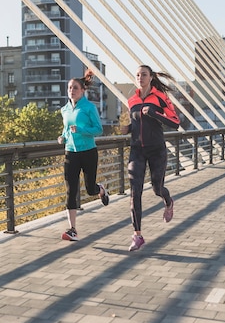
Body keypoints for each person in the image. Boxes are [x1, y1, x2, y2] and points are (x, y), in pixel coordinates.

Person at [120, 65, 181, 251]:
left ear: (151, 77)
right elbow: (137, 122)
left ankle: (168, 201)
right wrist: (128, 129)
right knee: (134, 191)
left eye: (144, 74)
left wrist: (155, 113)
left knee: (157, 188)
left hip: (156, 149)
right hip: (137, 149)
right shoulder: (132, 100)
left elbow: (176, 123)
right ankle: (137, 235)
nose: (140, 77)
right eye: (137, 74)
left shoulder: (161, 98)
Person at [58, 69, 109, 241]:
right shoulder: (64, 110)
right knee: (70, 191)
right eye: (70, 88)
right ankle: (72, 229)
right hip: (70, 153)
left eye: (75, 88)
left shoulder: (89, 108)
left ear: (82, 91)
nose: (72, 91)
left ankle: (100, 189)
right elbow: (66, 131)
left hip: (88, 152)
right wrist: (62, 137)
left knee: (89, 189)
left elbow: (98, 130)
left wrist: (81, 130)